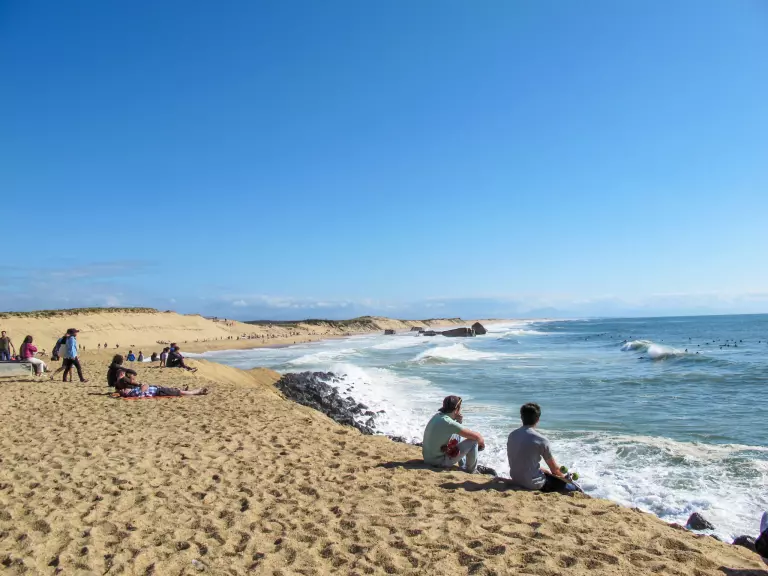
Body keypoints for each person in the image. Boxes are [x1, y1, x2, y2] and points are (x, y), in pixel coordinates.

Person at [507, 403, 570, 492]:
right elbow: (554, 470)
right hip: (533, 484)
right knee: (567, 486)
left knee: (543, 470)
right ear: (538, 419)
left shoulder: (512, 435)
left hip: (516, 479)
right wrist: (565, 478)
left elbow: (520, 460)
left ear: (521, 417)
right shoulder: (541, 440)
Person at [422, 395, 485, 473]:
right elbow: (477, 437)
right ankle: (471, 470)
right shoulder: (449, 423)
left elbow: (453, 430)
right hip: (438, 462)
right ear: (456, 410)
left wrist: (458, 422)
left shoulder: (438, 416)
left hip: (428, 459)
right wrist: (481, 445)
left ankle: (463, 465)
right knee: (473, 441)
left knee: (458, 435)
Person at [116, 371, 208, 398]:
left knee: (175, 390)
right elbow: (143, 389)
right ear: (125, 393)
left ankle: (184, 389)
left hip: (158, 389)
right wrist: (144, 385)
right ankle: (197, 392)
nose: (125, 389)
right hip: (159, 392)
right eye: (124, 390)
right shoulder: (132, 393)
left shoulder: (131, 391)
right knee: (179, 392)